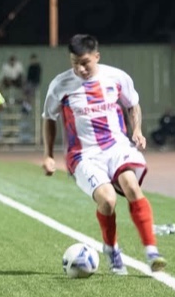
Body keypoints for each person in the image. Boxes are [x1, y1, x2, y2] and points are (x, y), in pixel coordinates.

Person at [41, 33, 166, 275]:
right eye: (74, 62)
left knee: (131, 186)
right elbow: (49, 118)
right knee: (107, 200)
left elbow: (132, 104)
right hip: (83, 155)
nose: (80, 68)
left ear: (97, 57)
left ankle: (152, 251)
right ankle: (111, 249)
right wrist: (48, 155)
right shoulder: (60, 85)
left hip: (115, 146)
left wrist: (137, 130)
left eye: (85, 62)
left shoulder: (117, 77)